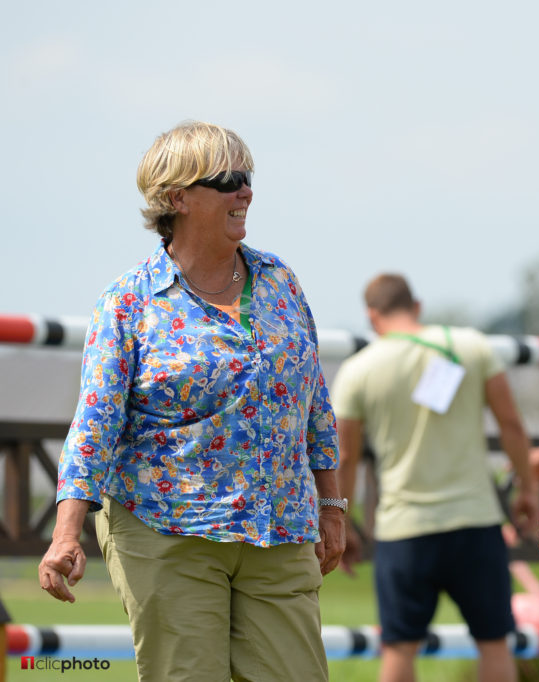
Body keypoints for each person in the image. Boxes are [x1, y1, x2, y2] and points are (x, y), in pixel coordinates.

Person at [37, 121, 344, 682]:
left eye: (247, 177)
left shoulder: (280, 282)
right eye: (227, 179)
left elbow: (314, 404)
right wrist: (65, 534)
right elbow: (95, 424)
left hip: (278, 528)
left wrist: (332, 505)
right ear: (175, 197)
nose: (244, 191)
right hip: (166, 529)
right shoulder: (128, 301)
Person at [331, 273, 539, 682]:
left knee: (399, 649)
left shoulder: (358, 370)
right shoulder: (471, 347)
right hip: (475, 524)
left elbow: (345, 457)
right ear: (417, 306)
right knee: (494, 643)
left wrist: (341, 520)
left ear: (372, 316)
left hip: (403, 530)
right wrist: (528, 490)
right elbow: (512, 426)